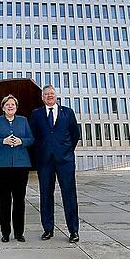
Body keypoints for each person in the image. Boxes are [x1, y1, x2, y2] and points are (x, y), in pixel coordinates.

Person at [30, 85, 80, 243]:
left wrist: (65, 151)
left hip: (65, 160)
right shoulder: (36, 114)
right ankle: (48, 229)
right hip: (45, 162)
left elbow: (75, 134)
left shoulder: (68, 112)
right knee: (45, 195)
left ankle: (73, 231)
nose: (49, 96)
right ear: (42, 97)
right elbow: (33, 136)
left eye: (51, 93)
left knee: (69, 195)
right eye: (46, 94)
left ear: (56, 96)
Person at [0, 94, 34, 243]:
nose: (10, 106)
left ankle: (19, 233)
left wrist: (21, 141)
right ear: (3, 107)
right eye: (7, 104)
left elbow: (31, 139)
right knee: (4, 200)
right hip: (2, 166)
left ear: (16, 107)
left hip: (21, 166)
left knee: (19, 200)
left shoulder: (23, 121)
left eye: (13, 104)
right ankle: (5, 233)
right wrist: (3, 141)